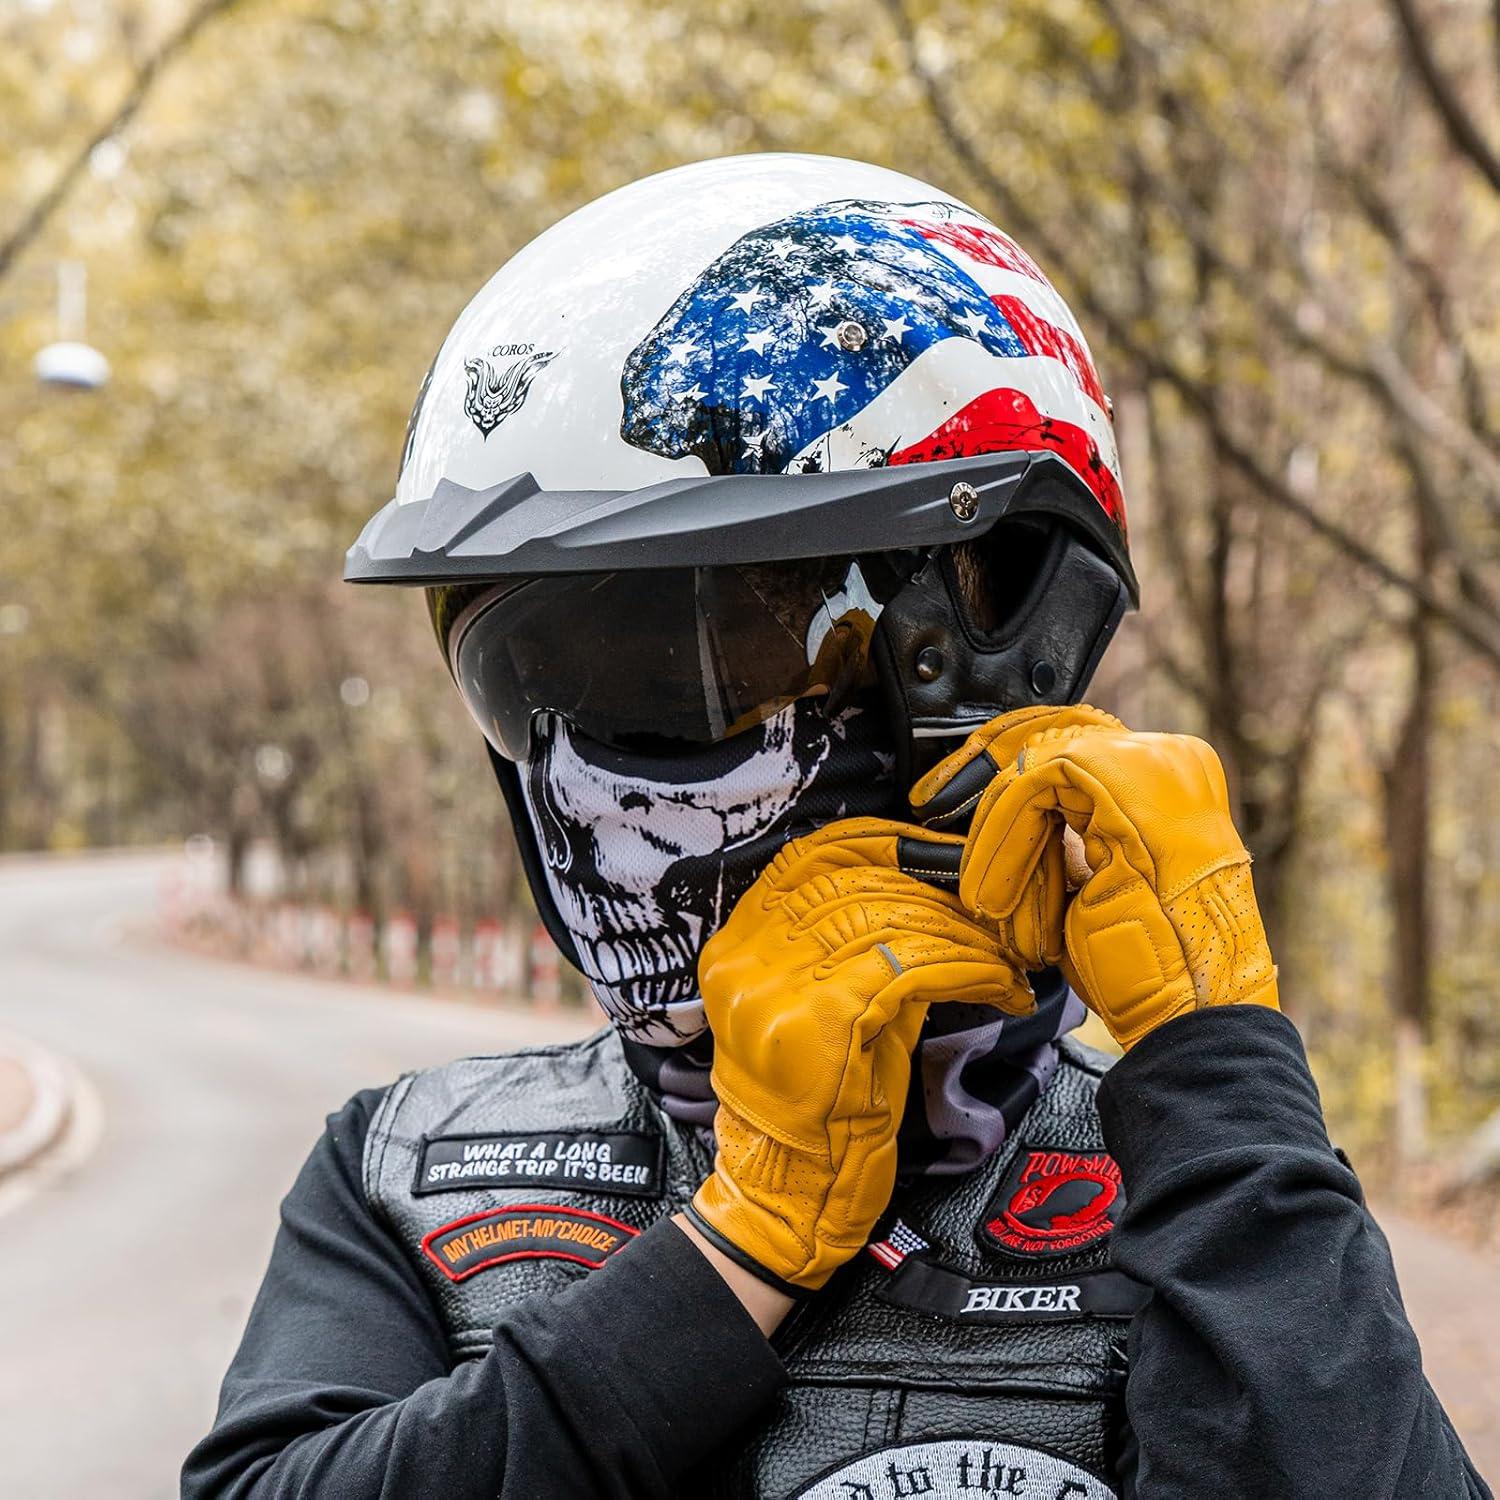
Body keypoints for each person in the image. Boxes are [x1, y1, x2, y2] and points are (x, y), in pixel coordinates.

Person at [183, 153, 1490, 1499]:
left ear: (982, 663)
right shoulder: (413, 1169)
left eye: (668, 679)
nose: (577, 784)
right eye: (528, 688)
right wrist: (738, 1249)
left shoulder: (1181, 1182)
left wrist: (1218, 1073)